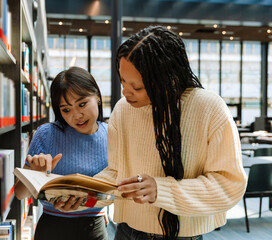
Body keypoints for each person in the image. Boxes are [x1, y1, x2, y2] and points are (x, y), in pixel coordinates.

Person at [95, 25, 247, 240]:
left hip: (182, 236)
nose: (125, 92)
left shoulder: (209, 108)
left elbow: (228, 184)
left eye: (137, 87)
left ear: (168, 80)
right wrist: (87, 194)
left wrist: (160, 190)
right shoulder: (123, 109)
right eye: (122, 80)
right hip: (127, 231)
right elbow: (117, 172)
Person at [14, 66, 109, 240]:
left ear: (97, 97)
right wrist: (35, 174)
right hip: (53, 228)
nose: (77, 115)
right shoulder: (46, 134)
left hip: (95, 228)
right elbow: (19, 194)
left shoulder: (112, 135)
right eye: (66, 109)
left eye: (82, 104)